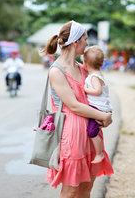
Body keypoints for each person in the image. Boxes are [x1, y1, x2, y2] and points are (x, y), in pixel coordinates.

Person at [41, 20, 113, 198]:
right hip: (71, 135)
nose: (87, 43)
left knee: (86, 189)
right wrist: (104, 116)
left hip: (91, 132)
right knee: (70, 190)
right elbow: (73, 106)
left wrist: (107, 113)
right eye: (85, 39)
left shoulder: (83, 68)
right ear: (75, 42)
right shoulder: (56, 71)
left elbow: (100, 94)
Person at [83, 46, 113, 164]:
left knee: (91, 132)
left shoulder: (94, 77)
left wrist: (85, 89)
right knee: (93, 129)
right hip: (102, 107)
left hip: (99, 108)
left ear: (85, 64)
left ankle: (99, 154)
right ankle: (99, 153)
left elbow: (98, 91)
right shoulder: (98, 74)